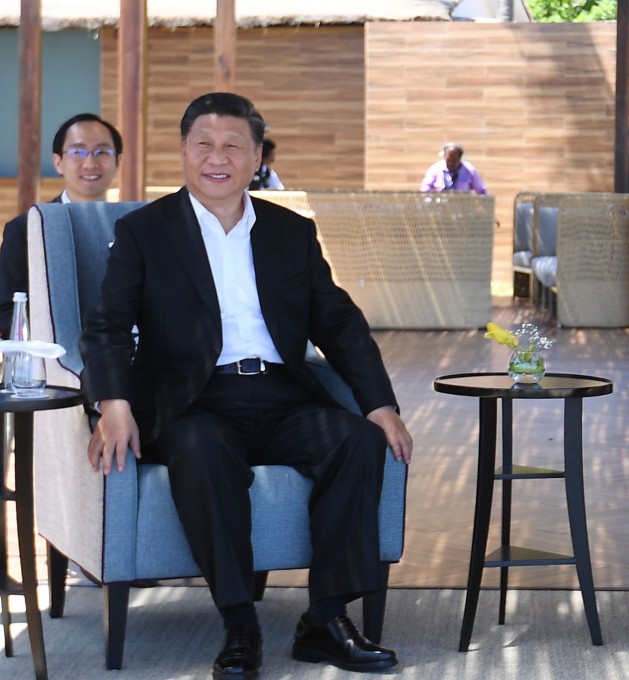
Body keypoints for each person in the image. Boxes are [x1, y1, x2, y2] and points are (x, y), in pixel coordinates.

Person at [80, 92, 413, 679]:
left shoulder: (291, 231)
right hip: (192, 401)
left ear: (257, 157)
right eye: (203, 143)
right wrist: (113, 404)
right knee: (205, 455)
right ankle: (239, 624)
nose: (218, 157)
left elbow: (336, 320)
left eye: (234, 145)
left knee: (359, 442)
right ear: (183, 152)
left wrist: (379, 404)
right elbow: (106, 326)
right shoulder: (144, 232)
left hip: (283, 396)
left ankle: (326, 620)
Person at [0, 113, 123, 335]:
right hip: (49, 357)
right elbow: (6, 310)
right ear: (58, 162)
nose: (90, 162)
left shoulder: (134, 226)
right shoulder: (27, 228)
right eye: (78, 152)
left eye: (102, 152)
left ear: (118, 161)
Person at [420, 142, 487, 194]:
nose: (451, 163)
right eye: (448, 160)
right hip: (440, 207)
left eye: (454, 160)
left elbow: (481, 190)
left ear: (460, 158)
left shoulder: (469, 170)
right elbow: (425, 189)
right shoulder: (435, 169)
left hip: (462, 207)